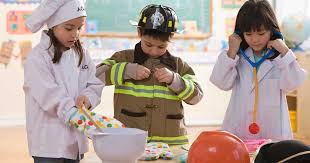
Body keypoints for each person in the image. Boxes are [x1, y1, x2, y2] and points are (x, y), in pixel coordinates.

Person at [96, 4, 203, 145]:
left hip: (171, 143)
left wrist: (174, 80)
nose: (154, 51)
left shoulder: (179, 65)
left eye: (161, 47)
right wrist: (126, 70)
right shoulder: (123, 57)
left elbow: (196, 98)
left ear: (171, 38)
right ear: (139, 32)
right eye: (148, 44)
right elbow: (96, 76)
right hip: (130, 141)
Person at [210, 0, 307, 140]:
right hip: (239, 126)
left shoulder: (280, 58)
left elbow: (293, 84)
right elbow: (221, 83)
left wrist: (284, 51)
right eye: (248, 34)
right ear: (240, 33)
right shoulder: (235, 56)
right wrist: (231, 53)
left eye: (261, 33)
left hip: (272, 129)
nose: (255, 40)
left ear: (272, 31)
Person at [23, 0, 104, 162]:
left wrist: (88, 97)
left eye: (79, 28)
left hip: (75, 144)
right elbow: (49, 95)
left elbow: (94, 84)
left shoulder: (82, 54)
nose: (75, 34)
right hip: (48, 145)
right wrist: (74, 114)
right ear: (53, 26)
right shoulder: (37, 58)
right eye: (69, 28)